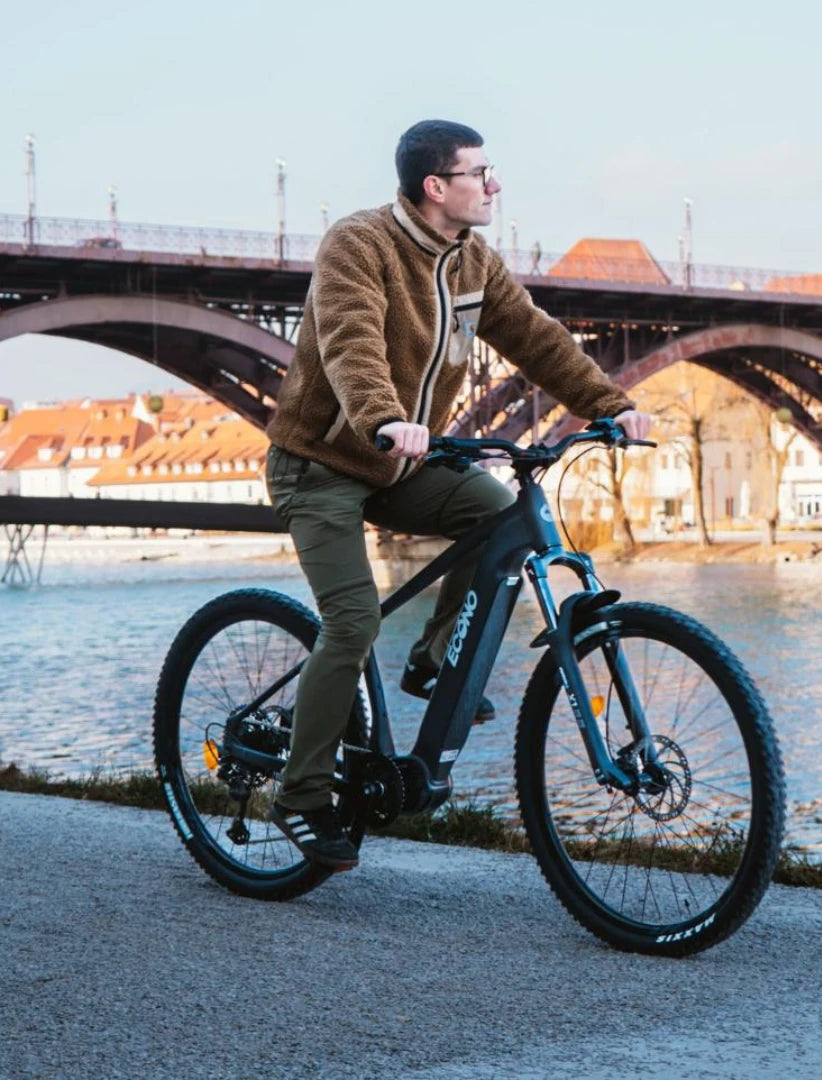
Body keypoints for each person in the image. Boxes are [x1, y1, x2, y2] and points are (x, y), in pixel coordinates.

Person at [263, 119, 650, 869]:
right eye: (480, 172)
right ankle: (300, 795)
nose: (494, 184)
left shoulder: (473, 260)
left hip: (402, 464)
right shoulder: (359, 244)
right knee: (350, 626)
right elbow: (351, 343)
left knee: (499, 514)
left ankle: (434, 660)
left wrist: (607, 403)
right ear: (436, 187)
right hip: (321, 464)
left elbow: (535, 338)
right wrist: (383, 419)